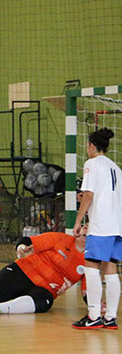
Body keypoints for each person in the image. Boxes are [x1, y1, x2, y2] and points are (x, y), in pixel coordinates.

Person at [72, 127, 121, 329]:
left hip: (100, 225)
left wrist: (78, 220)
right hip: (117, 225)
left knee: (91, 266)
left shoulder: (91, 164)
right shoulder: (116, 168)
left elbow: (90, 195)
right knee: (111, 269)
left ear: (92, 146)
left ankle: (93, 316)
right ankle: (110, 317)